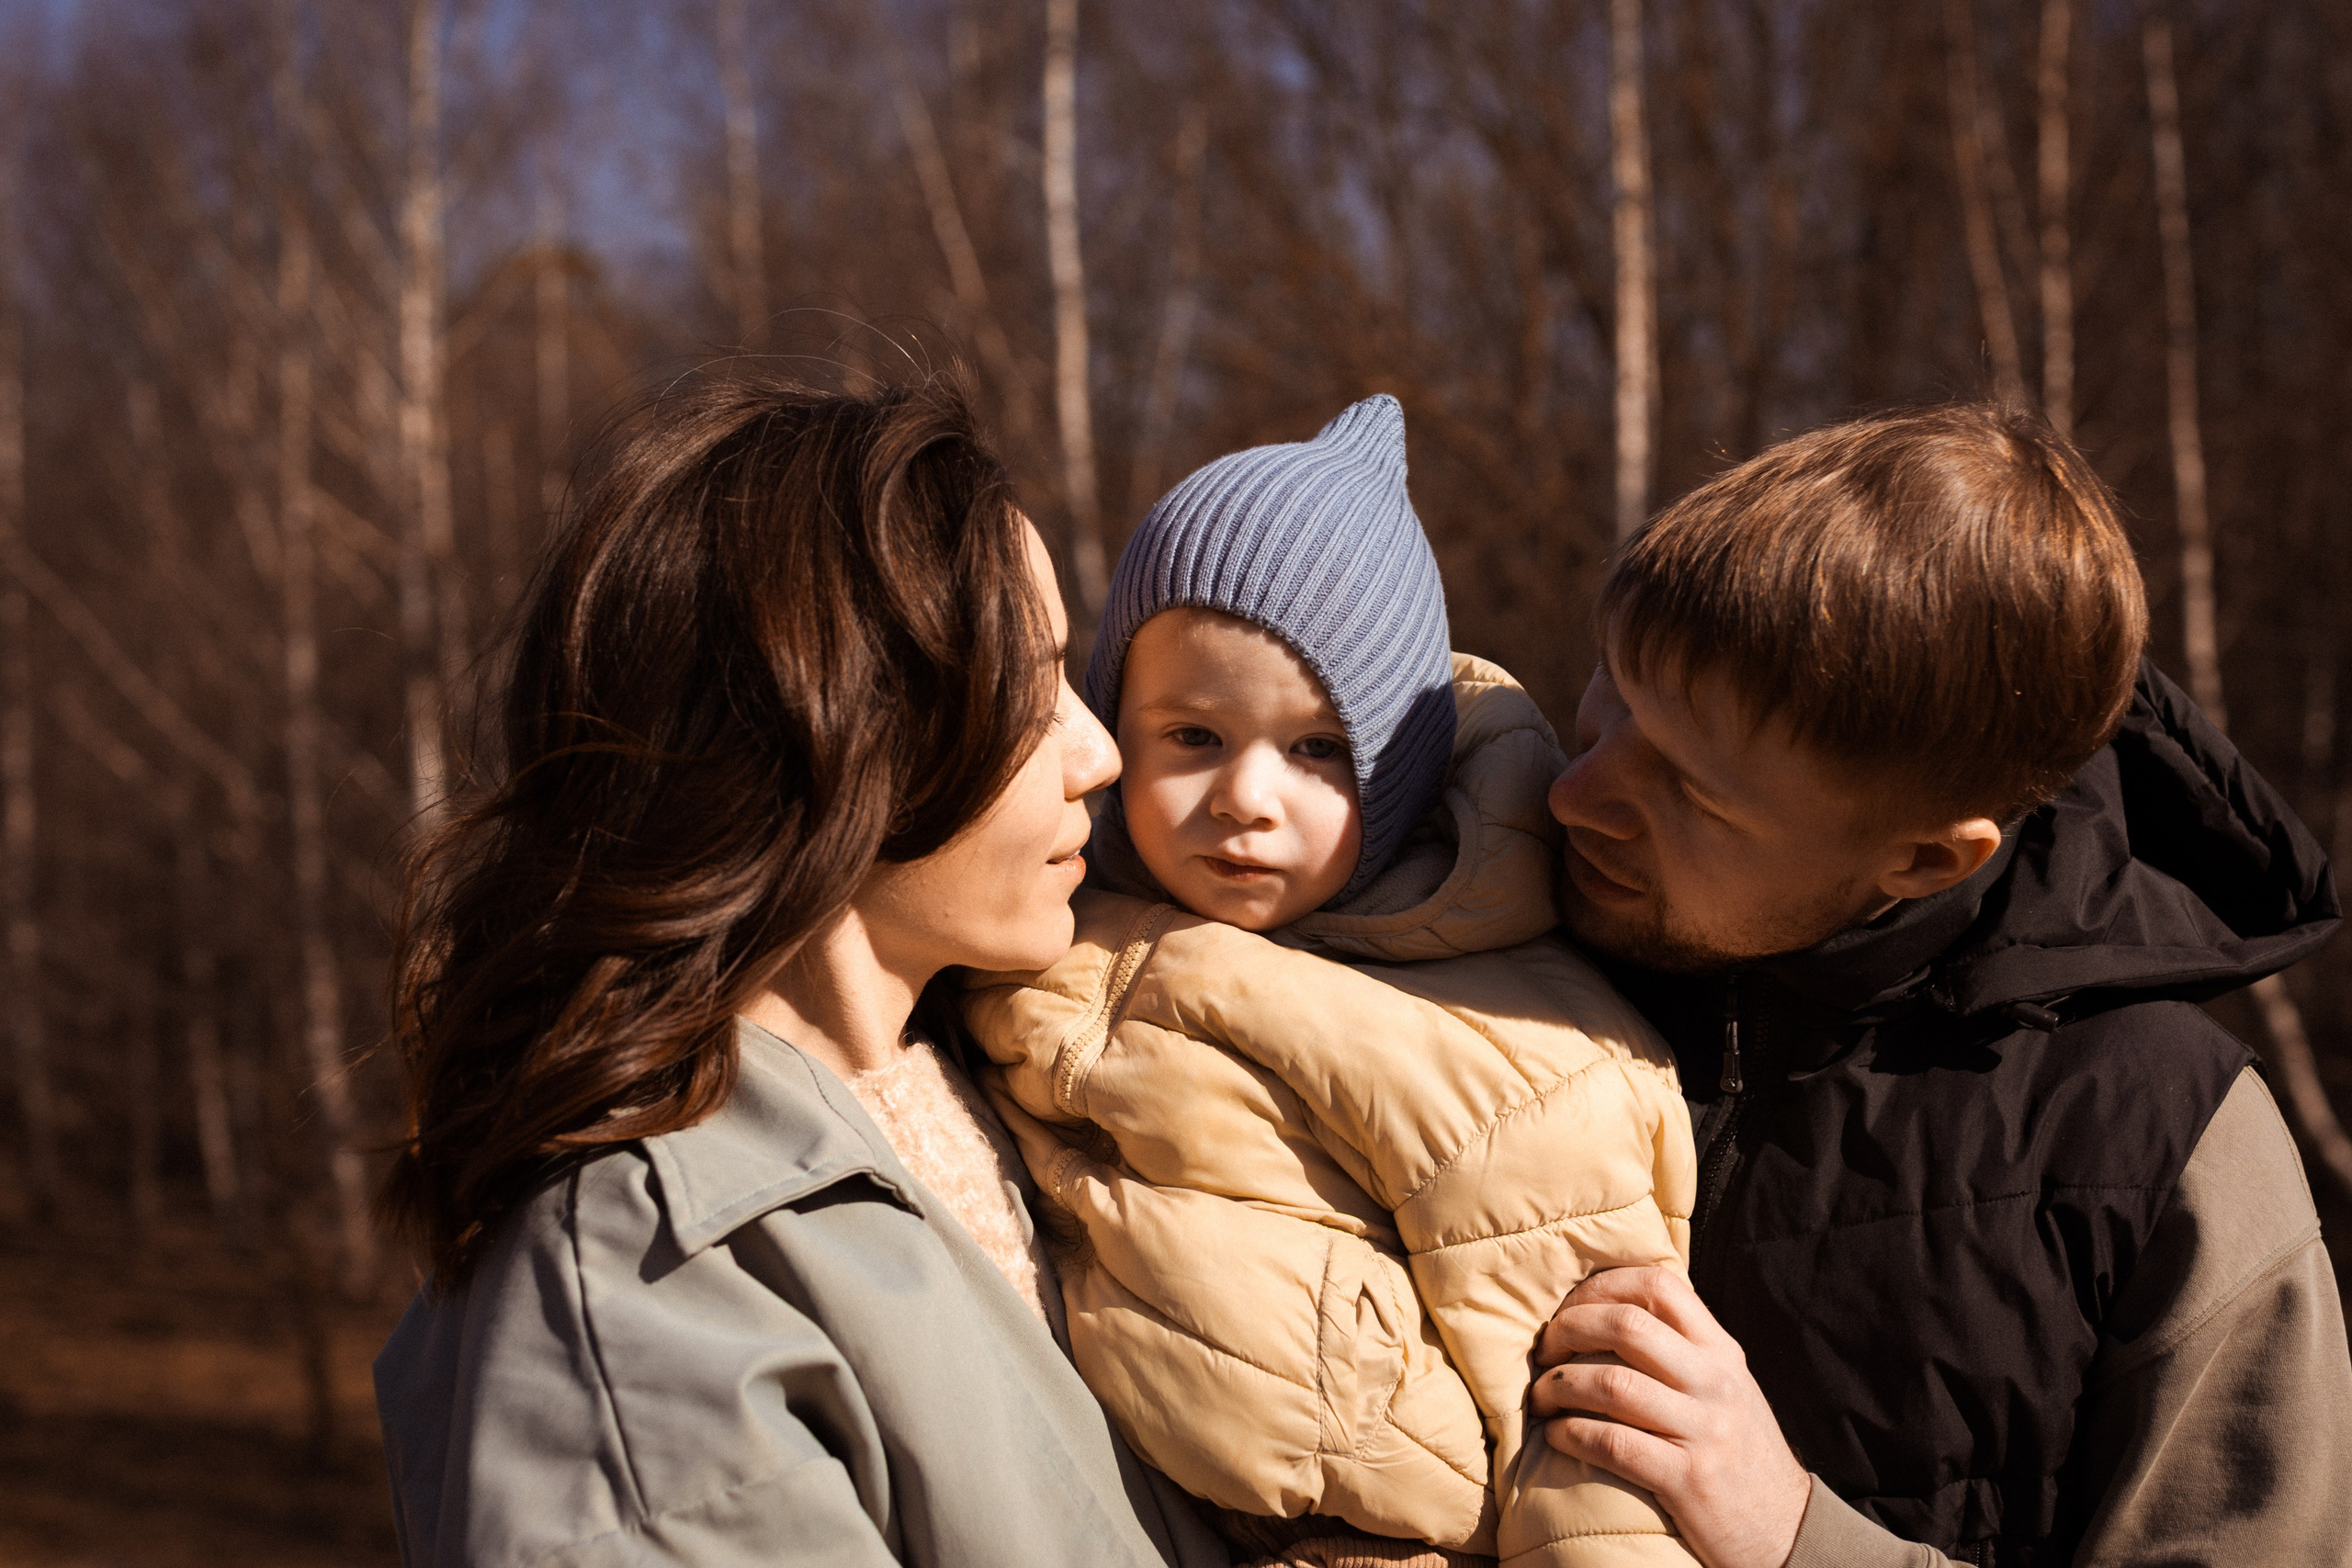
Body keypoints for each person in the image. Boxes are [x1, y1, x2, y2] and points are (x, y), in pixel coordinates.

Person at [369, 374, 1227, 1568]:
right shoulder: (642, 1299)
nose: (1092, 749)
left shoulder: (1021, 1091)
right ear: (839, 728)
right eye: (1028, 685)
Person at [1525, 403, 2351, 1567]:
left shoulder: (2166, 1145)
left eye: (1692, 793)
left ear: (1922, 858)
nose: (1575, 792)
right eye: (1610, 693)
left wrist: (1795, 1537)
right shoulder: (1464, 918)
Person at [966, 396, 1699, 1568]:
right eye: (1192, 737)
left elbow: (1588, 1421)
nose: (1246, 798)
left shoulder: (1503, 1039)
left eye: (1316, 752)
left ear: (1398, 780)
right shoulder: (1040, 923)